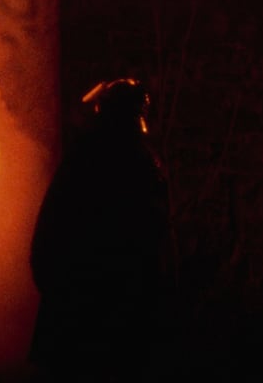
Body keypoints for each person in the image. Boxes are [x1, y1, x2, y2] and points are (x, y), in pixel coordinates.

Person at [28, 78, 171, 382]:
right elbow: (156, 233)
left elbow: (52, 223)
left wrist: (50, 281)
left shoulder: (83, 158)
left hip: (79, 298)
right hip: (120, 299)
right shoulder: (143, 163)